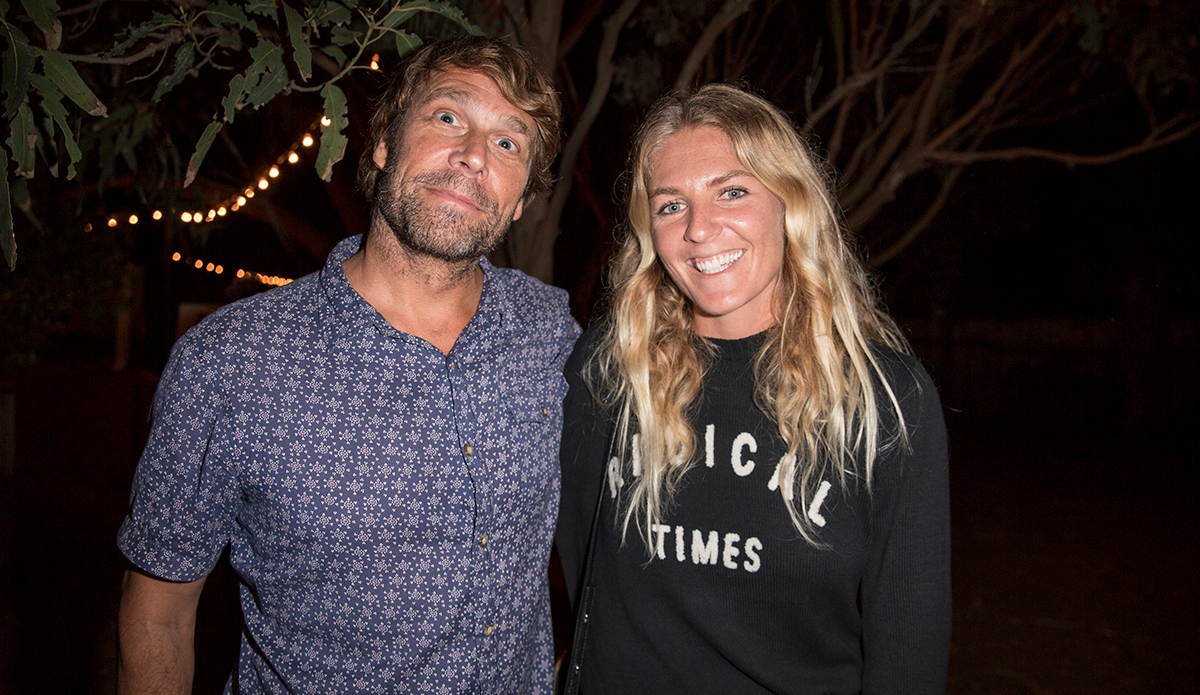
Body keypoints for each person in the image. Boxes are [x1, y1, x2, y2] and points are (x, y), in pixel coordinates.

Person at [117, 35, 580, 695]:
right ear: (384, 142)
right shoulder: (231, 362)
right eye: (449, 116)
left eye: (508, 142)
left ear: (521, 200)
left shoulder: (551, 332)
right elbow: (157, 612)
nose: (475, 155)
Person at [555, 84, 950, 694]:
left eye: (732, 192)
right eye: (670, 205)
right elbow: (584, 569)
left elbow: (908, 654)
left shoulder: (883, 399)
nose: (698, 228)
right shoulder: (612, 368)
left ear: (789, 203)